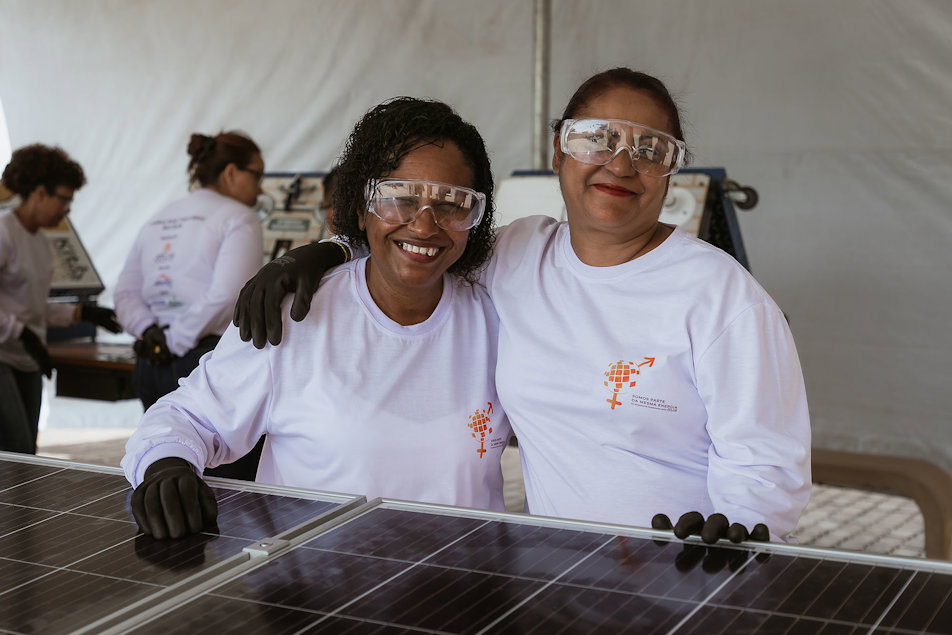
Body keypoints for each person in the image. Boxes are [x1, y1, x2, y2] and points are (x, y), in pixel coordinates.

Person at [234, 68, 811, 545]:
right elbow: (424, 236)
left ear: (671, 171)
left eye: (650, 149)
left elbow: (767, 468)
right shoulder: (517, 255)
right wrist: (329, 250)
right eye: (598, 138)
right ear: (558, 149)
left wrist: (732, 538)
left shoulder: (723, 297)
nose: (621, 164)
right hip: (559, 582)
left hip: (683, 580)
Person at [122, 98, 510, 540]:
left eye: (452, 203)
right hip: (313, 592)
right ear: (362, 207)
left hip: (464, 590)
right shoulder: (295, 315)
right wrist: (165, 464)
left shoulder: (499, 315)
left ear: (476, 219)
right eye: (398, 197)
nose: (424, 224)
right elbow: (189, 417)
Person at [114, 130, 266, 481]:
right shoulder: (239, 217)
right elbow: (231, 295)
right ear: (231, 172)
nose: (260, 189)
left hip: (150, 360)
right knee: (230, 485)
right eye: (256, 175)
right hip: (208, 361)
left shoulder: (160, 217)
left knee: (167, 463)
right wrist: (174, 341)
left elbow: (125, 293)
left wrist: (151, 333)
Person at [1, 144, 122, 454]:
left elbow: (33, 307)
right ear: (39, 193)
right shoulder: (3, 232)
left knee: (27, 452)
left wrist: (82, 314)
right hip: (5, 354)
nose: (67, 209)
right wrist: (20, 333)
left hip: (26, 356)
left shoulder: (40, 242)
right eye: (64, 199)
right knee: (15, 447)